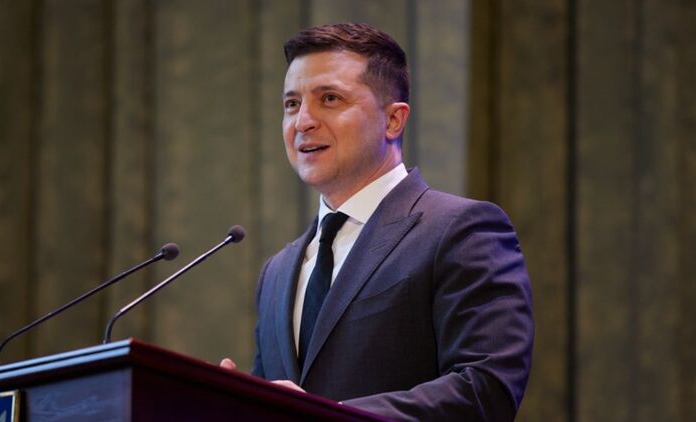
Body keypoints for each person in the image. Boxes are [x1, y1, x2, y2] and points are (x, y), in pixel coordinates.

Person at [221, 22, 534, 421]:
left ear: (393, 120)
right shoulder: (277, 273)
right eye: (292, 104)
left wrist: (326, 415)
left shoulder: (460, 230)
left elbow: (486, 388)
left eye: (329, 98)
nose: (303, 122)